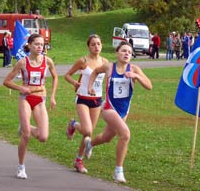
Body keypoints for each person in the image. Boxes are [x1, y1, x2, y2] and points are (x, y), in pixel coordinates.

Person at [85, 41, 152, 183]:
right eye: (123, 51)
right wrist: (90, 86)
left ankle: (90, 144)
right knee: (125, 135)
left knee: (107, 137)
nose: (126, 53)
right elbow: (95, 71)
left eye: (129, 52)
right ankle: (118, 171)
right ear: (117, 53)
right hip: (109, 108)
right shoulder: (110, 67)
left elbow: (149, 86)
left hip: (123, 111)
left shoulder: (134, 69)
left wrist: (137, 77)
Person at [3, 33, 58, 179]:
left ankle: (24, 126)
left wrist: (52, 96)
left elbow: (55, 77)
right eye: (37, 44)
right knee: (26, 135)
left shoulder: (48, 61)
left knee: (43, 136)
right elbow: (7, 81)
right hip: (25, 98)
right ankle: (21, 167)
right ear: (30, 45)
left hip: (40, 98)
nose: (40, 47)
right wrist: (21, 88)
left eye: (42, 44)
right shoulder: (22, 62)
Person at [64, 34, 108, 174]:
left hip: (97, 100)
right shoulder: (83, 61)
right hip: (82, 98)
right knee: (87, 130)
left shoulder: (105, 62)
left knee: (88, 134)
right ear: (88, 46)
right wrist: (75, 83)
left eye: (98, 44)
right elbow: (67, 75)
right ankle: (73, 125)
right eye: (93, 44)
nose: (96, 47)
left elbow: (106, 81)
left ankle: (78, 160)